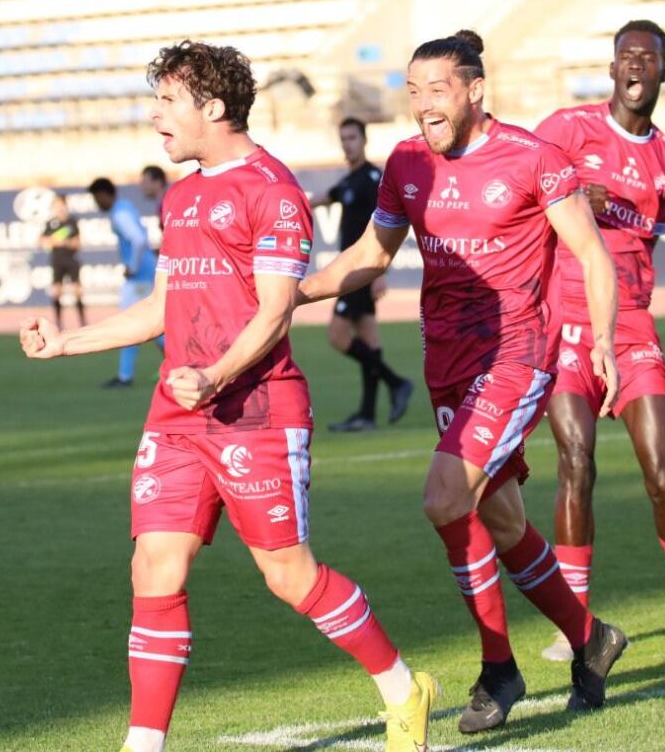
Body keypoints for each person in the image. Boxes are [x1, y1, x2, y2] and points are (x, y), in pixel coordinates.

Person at [22, 40, 437, 752]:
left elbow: (276, 309)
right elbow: (161, 304)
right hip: (176, 415)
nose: (155, 117)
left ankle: (405, 688)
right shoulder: (180, 197)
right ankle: (143, 744)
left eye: (167, 102)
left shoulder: (271, 192)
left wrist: (214, 377)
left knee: (289, 577)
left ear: (212, 107)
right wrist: (69, 341)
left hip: (257, 412)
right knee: (153, 564)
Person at [300, 29, 628, 732]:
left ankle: (499, 669)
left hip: (516, 355)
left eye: (437, 89)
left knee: (445, 497)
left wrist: (602, 342)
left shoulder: (533, 158)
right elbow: (368, 254)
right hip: (446, 362)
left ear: (476, 90)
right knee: (500, 516)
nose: (423, 105)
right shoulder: (407, 164)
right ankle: (592, 639)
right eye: (413, 92)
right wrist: (291, 295)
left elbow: (592, 255)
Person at [533, 19, 665, 663]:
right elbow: (518, 196)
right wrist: (566, 200)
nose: (637, 67)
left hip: (633, 325)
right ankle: (575, 624)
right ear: (612, 68)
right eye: (626, 57)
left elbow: (651, 235)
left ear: (664, 72)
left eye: (649, 58)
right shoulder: (566, 130)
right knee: (576, 463)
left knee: (663, 477)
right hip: (564, 318)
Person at [309, 116, 414, 432]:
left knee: (338, 336)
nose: (347, 143)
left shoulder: (372, 179)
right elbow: (324, 197)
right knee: (369, 338)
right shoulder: (349, 181)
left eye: (352, 137)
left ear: (364, 140)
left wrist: (381, 271)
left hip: (360, 271)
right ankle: (367, 414)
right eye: (343, 138)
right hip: (355, 271)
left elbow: (390, 225)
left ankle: (397, 382)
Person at [90, 176, 159, 388]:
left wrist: (133, 266)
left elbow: (138, 240)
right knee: (151, 323)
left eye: (96, 198)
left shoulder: (119, 213)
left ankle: (125, 376)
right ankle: (183, 363)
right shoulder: (125, 206)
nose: (96, 203)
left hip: (140, 276)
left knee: (133, 324)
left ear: (103, 195)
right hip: (147, 272)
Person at [43, 194, 86, 329]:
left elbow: (77, 243)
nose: (58, 208)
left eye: (60, 204)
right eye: (55, 205)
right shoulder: (51, 223)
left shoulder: (72, 222)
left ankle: (82, 322)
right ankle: (58, 323)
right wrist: (54, 241)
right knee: (57, 291)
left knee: (77, 291)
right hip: (57, 261)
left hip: (71, 260)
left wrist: (64, 242)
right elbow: (44, 241)